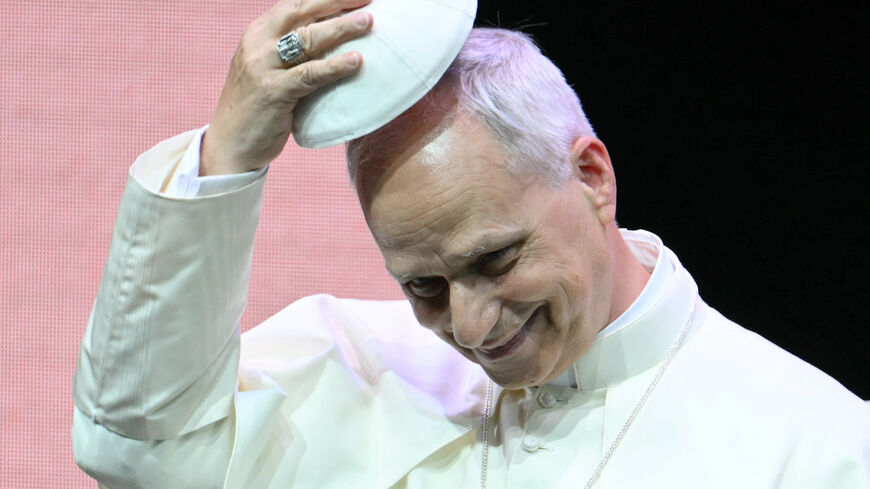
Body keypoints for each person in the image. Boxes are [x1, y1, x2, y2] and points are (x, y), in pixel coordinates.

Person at [72, 1, 870, 487]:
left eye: (497, 259)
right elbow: (139, 448)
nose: (474, 326)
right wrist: (229, 157)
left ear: (592, 176)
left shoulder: (818, 446)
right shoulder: (357, 364)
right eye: (424, 285)